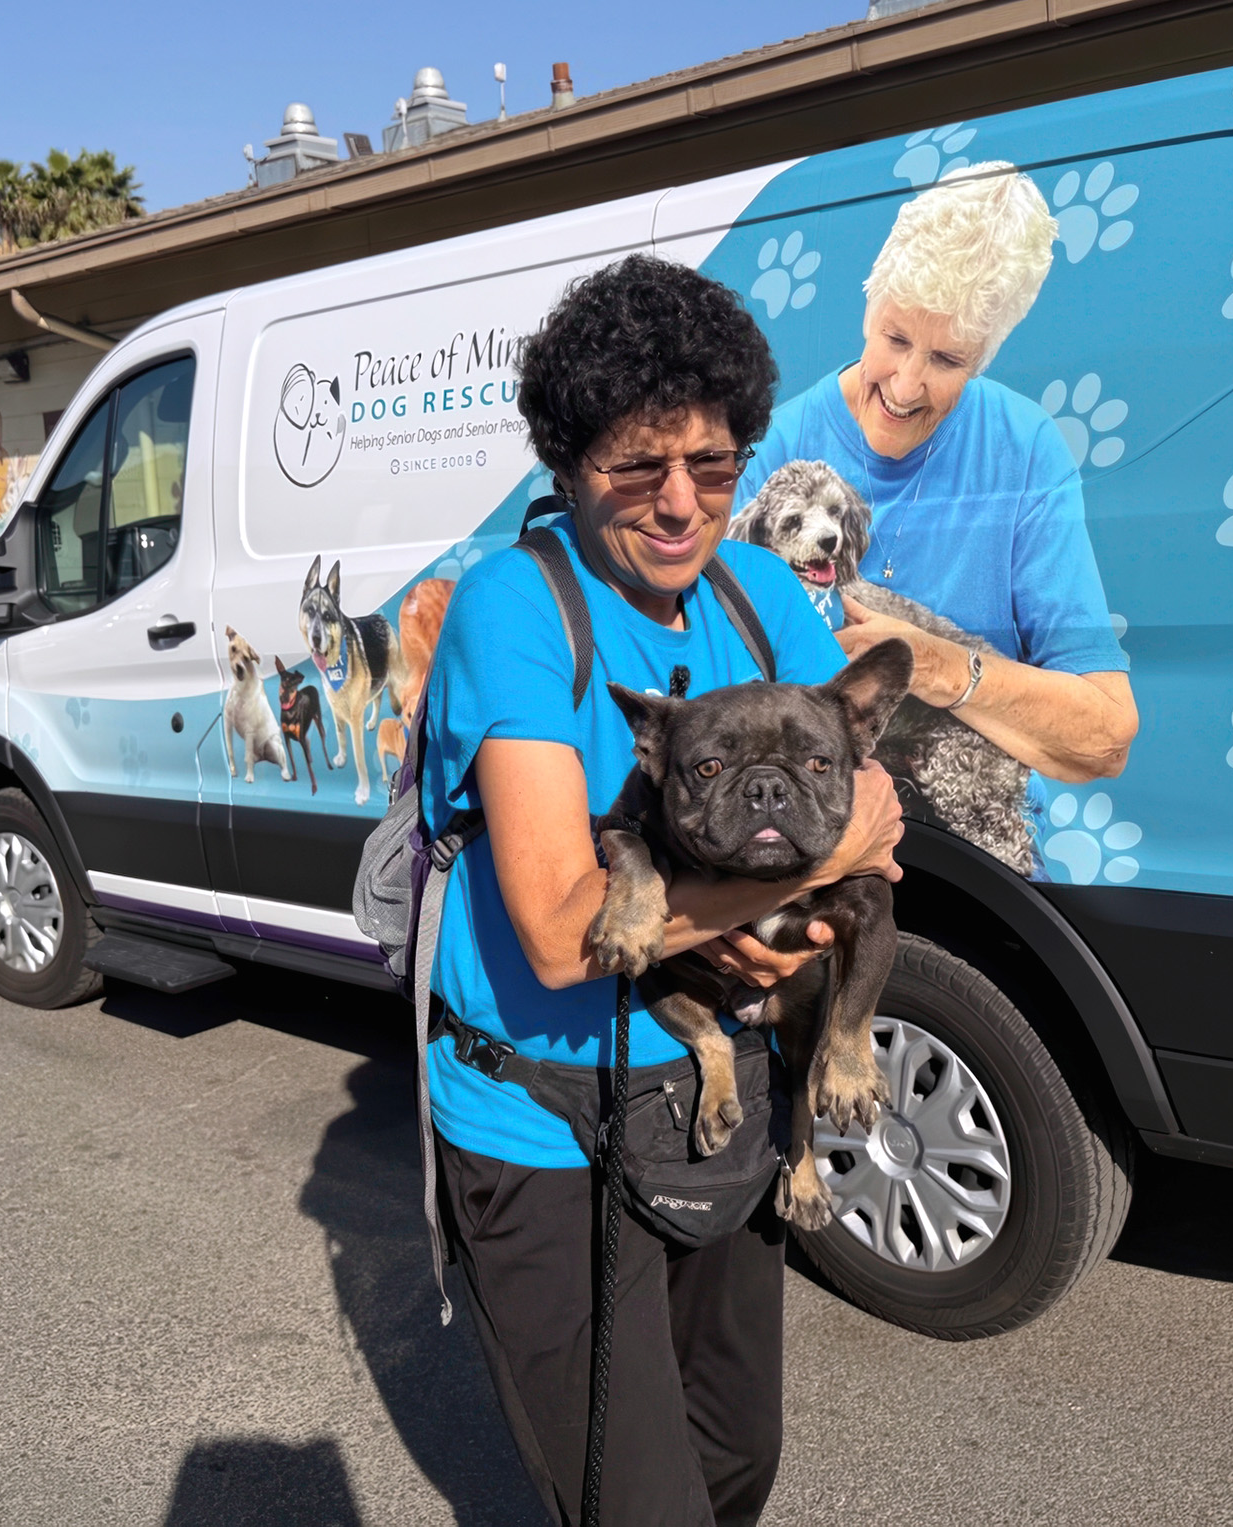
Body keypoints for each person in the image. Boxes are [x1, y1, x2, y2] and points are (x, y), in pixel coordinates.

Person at [420, 253, 904, 1527]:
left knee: (736, 1462)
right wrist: (778, 895)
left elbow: (871, 802)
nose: (680, 501)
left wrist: (819, 865)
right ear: (568, 461)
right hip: (545, 1125)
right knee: (637, 1506)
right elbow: (562, 928)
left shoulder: (751, 596)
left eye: (713, 463)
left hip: (703, 1100)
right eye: (638, 466)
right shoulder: (514, 609)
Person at [738, 163, 1138, 788]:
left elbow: (1104, 737)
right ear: (868, 304)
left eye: (947, 359)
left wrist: (934, 665)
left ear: (984, 357)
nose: (904, 385)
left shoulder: (1024, 448)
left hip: (962, 848)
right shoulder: (768, 449)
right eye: (894, 339)